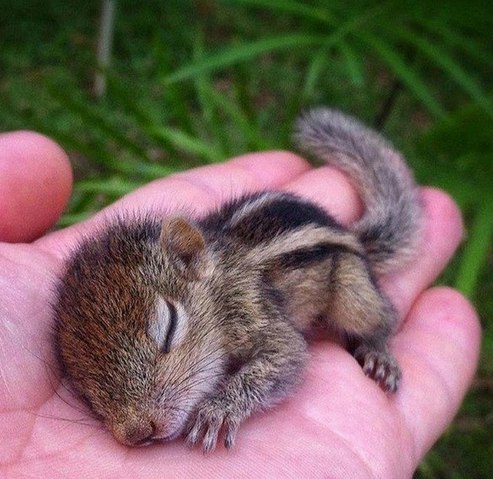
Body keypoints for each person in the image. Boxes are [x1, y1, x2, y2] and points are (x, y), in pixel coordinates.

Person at [0, 131, 480, 478]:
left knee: (356, 308)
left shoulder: (234, 298)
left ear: (191, 258)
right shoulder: (148, 355)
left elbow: (287, 355)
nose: (131, 426)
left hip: (329, 267)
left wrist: (232, 398)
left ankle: (376, 336)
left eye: (168, 331)